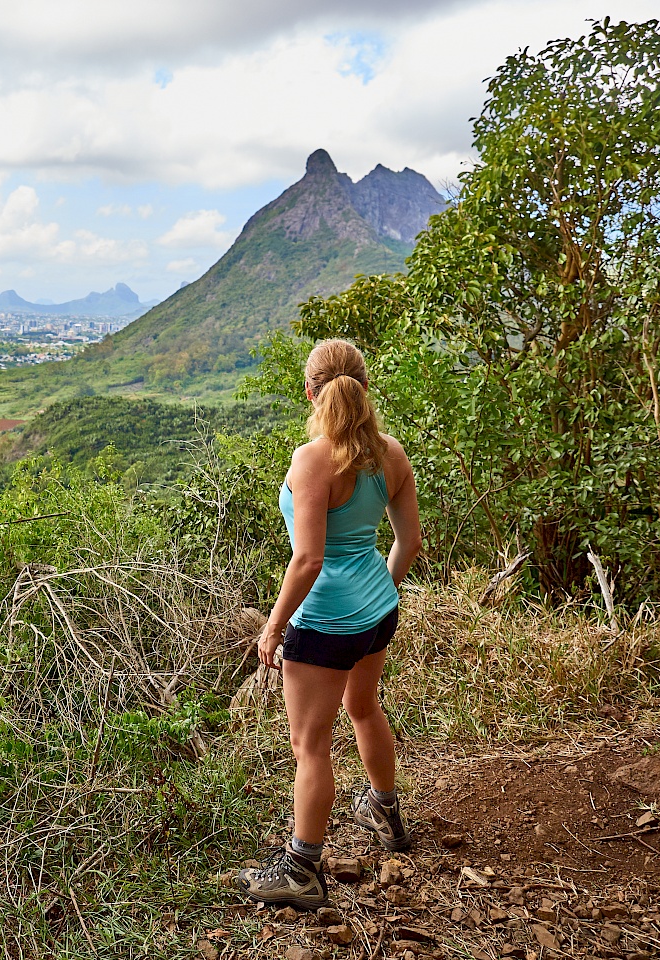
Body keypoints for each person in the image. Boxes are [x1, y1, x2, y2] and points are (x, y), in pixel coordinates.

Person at [235, 338, 422, 910]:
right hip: (375, 608)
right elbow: (409, 542)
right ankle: (385, 813)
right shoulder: (390, 454)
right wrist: (381, 590)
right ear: (365, 389)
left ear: (311, 391)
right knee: (363, 707)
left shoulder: (313, 459)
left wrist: (272, 629)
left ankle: (302, 867)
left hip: (324, 620)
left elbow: (308, 560)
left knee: (310, 744)